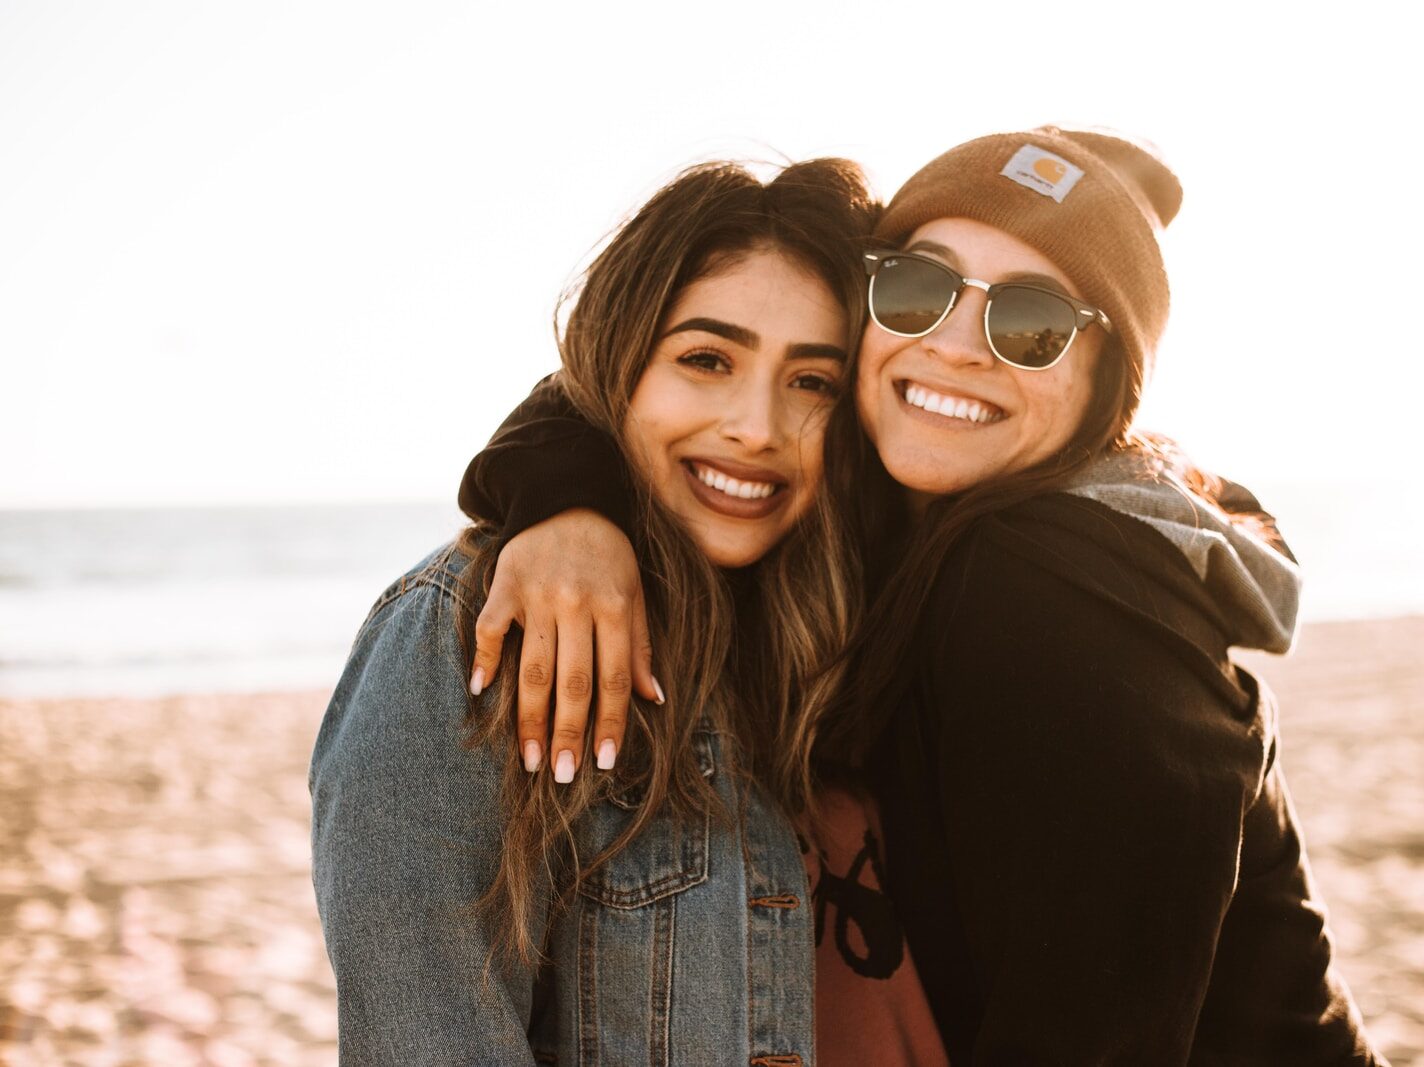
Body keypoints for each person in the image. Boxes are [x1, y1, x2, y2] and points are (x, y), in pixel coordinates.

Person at [456, 127, 1387, 1064]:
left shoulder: (1059, 595)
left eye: (1031, 323)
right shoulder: (896, 505)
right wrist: (570, 505)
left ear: (1109, 381)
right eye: (916, 289)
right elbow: (637, 365)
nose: (954, 347)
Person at [310, 158, 952, 1064]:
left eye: (812, 382)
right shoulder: (469, 631)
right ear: (621, 364)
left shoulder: (834, 628)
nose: (758, 427)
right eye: (706, 359)